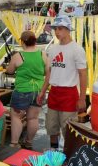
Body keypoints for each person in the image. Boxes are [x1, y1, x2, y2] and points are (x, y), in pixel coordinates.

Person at [37, 15, 87, 149]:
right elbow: (49, 72)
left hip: (69, 94)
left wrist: (82, 98)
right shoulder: (53, 49)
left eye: (60, 29)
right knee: (52, 127)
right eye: (55, 29)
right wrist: (42, 92)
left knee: (68, 130)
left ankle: (69, 157)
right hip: (54, 93)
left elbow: (83, 74)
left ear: (68, 29)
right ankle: (54, 152)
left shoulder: (77, 49)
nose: (57, 32)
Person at [6, 31, 50, 149]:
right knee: (33, 118)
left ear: (23, 42)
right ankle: (29, 142)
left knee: (16, 116)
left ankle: (14, 143)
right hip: (38, 91)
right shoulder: (43, 54)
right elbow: (47, 72)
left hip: (22, 91)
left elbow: (9, 71)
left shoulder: (18, 56)